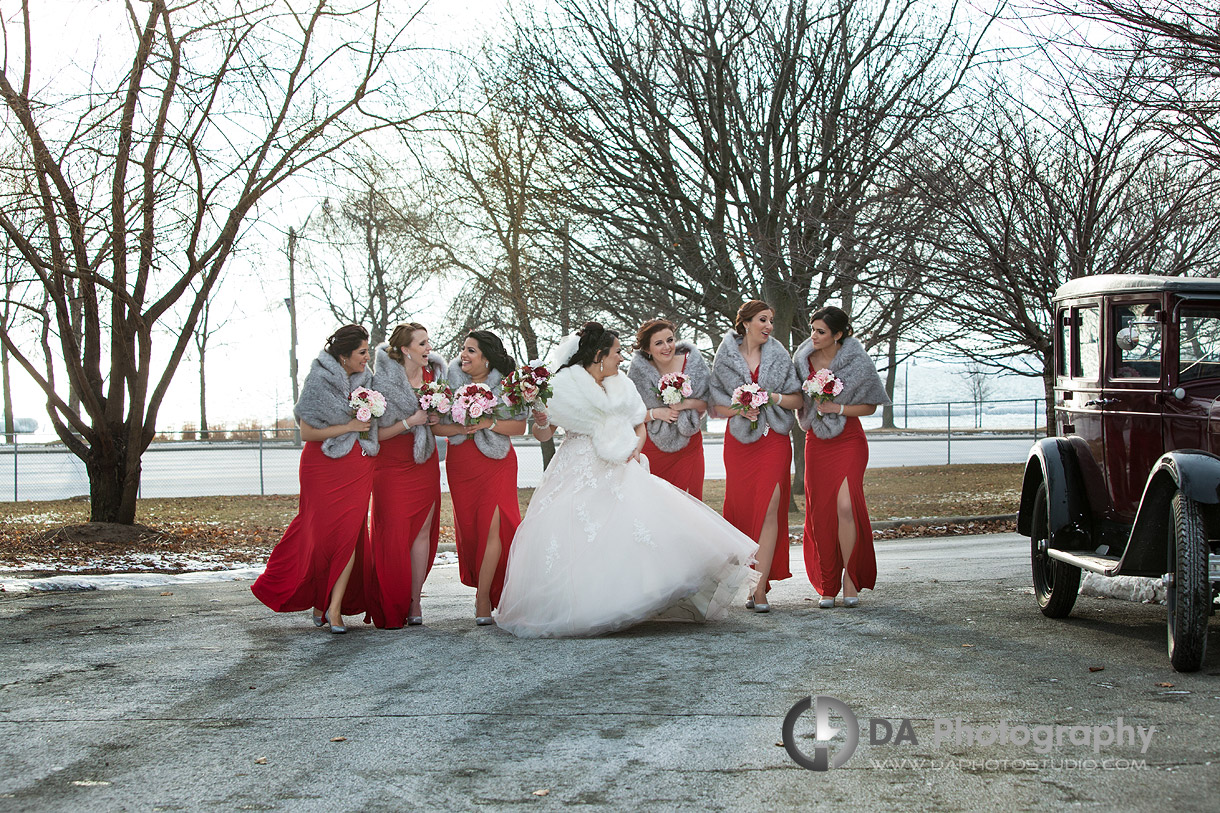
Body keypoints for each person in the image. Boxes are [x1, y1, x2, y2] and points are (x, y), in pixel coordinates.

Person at [495, 323, 758, 638]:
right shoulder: (562, 386)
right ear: (599, 355)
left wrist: (635, 450)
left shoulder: (622, 385)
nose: (621, 358)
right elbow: (543, 434)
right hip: (576, 465)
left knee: (638, 528)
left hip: (620, 462)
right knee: (575, 534)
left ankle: (639, 600)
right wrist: (540, 421)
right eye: (616, 352)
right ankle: (584, 607)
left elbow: (638, 424)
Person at [251, 325, 377, 634]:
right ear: (343, 355)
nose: (367, 357)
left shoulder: (368, 380)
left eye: (367, 351)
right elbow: (307, 432)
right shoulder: (318, 381)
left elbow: (373, 423)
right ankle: (319, 601)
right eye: (361, 352)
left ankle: (334, 609)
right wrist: (348, 427)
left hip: (357, 467)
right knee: (320, 536)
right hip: (321, 467)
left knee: (349, 535)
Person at [709, 300, 803, 613]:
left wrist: (772, 397)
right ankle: (748, 579)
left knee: (772, 504)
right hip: (740, 443)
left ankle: (759, 588)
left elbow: (797, 398)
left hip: (774, 438)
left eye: (771, 321)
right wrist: (740, 408)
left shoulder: (779, 355)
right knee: (746, 508)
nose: (769, 326)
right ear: (746, 322)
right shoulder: (725, 358)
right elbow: (716, 404)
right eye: (763, 320)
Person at [792, 306, 889, 608]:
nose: (814, 336)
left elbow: (872, 405)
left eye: (821, 331)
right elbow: (796, 397)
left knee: (846, 506)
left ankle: (850, 579)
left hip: (849, 439)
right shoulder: (802, 359)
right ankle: (828, 584)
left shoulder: (857, 360)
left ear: (839, 334)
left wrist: (838, 408)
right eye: (812, 329)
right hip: (817, 441)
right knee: (821, 513)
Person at [432, 330, 527, 625]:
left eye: (471, 350)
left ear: (487, 358)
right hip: (463, 464)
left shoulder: (507, 386)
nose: (464, 355)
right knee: (474, 529)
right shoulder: (449, 384)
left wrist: (490, 421)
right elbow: (436, 428)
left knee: (495, 526)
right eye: (463, 349)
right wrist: (463, 428)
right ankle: (482, 586)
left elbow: (519, 428)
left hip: (497, 462)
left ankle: (483, 598)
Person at [365, 322, 446, 629]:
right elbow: (375, 435)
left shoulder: (434, 378)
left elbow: (435, 421)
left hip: (423, 461)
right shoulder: (380, 382)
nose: (428, 348)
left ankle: (415, 600)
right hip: (391, 464)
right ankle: (390, 600)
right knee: (393, 534)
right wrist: (411, 421)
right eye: (422, 343)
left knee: (422, 532)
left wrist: (435, 418)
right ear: (405, 349)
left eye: (428, 342)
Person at [626, 319, 711, 498]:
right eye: (659, 343)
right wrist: (656, 413)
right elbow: (629, 415)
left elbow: (708, 403)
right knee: (658, 502)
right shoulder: (637, 372)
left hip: (689, 443)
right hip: (653, 446)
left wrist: (686, 404)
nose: (667, 347)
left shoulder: (693, 363)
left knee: (691, 502)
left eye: (670, 340)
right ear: (647, 349)